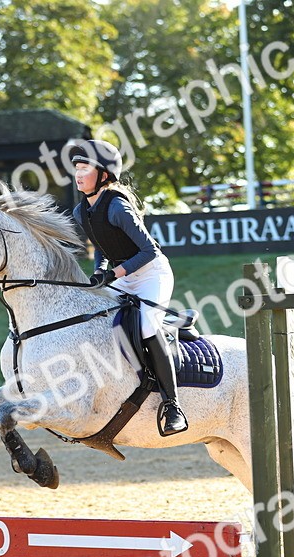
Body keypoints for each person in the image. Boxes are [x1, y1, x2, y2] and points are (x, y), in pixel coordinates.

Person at [70, 139, 188, 437]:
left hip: (151, 274)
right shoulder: (80, 211)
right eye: (76, 169)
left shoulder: (118, 206)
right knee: (96, 321)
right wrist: (99, 271)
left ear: (104, 175)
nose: (78, 174)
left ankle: (173, 405)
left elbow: (150, 250)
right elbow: (100, 247)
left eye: (84, 168)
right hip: (121, 275)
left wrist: (113, 274)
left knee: (147, 329)